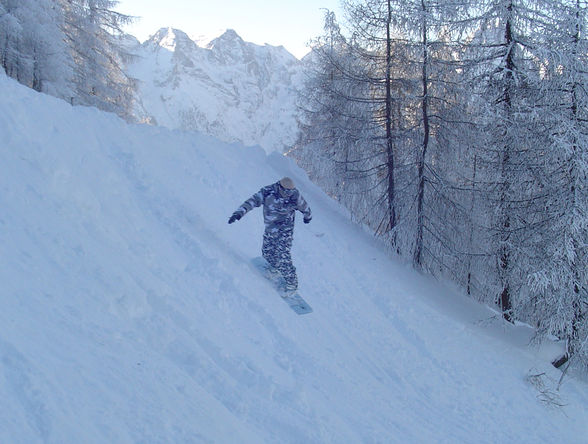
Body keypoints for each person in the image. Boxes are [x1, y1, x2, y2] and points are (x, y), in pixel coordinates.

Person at [228, 177, 312, 292]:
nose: (289, 194)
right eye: (287, 191)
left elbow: (304, 206)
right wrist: (239, 213)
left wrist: (307, 216)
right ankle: (273, 268)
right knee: (268, 251)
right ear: (280, 187)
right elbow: (252, 201)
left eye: (291, 191)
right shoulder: (268, 192)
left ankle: (292, 284)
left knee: (283, 254)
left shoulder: (294, 194)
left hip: (285, 230)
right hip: (271, 228)